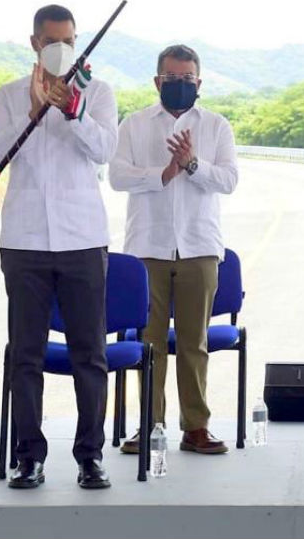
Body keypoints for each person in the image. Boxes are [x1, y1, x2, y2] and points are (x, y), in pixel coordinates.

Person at [0, 4, 118, 489]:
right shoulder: (8, 95)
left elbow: (104, 150)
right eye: (54, 40)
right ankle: (29, 456)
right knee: (26, 353)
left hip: (83, 239)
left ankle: (90, 456)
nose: (63, 48)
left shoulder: (97, 93)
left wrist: (72, 111)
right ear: (36, 42)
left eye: (71, 40)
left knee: (89, 354)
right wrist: (36, 111)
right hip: (25, 240)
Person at [109, 44, 239, 455]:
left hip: (199, 247)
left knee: (193, 342)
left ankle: (196, 427)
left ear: (199, 84)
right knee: (148, 343)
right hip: (147, 247)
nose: (179, 86)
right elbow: (117, 176)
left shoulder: (216, 126)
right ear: (157, 82)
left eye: (187, 80)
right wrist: (162, 173)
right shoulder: (134, 124)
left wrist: (193, 165)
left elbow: (229, 180)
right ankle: (150, 427)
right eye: (171, 79)